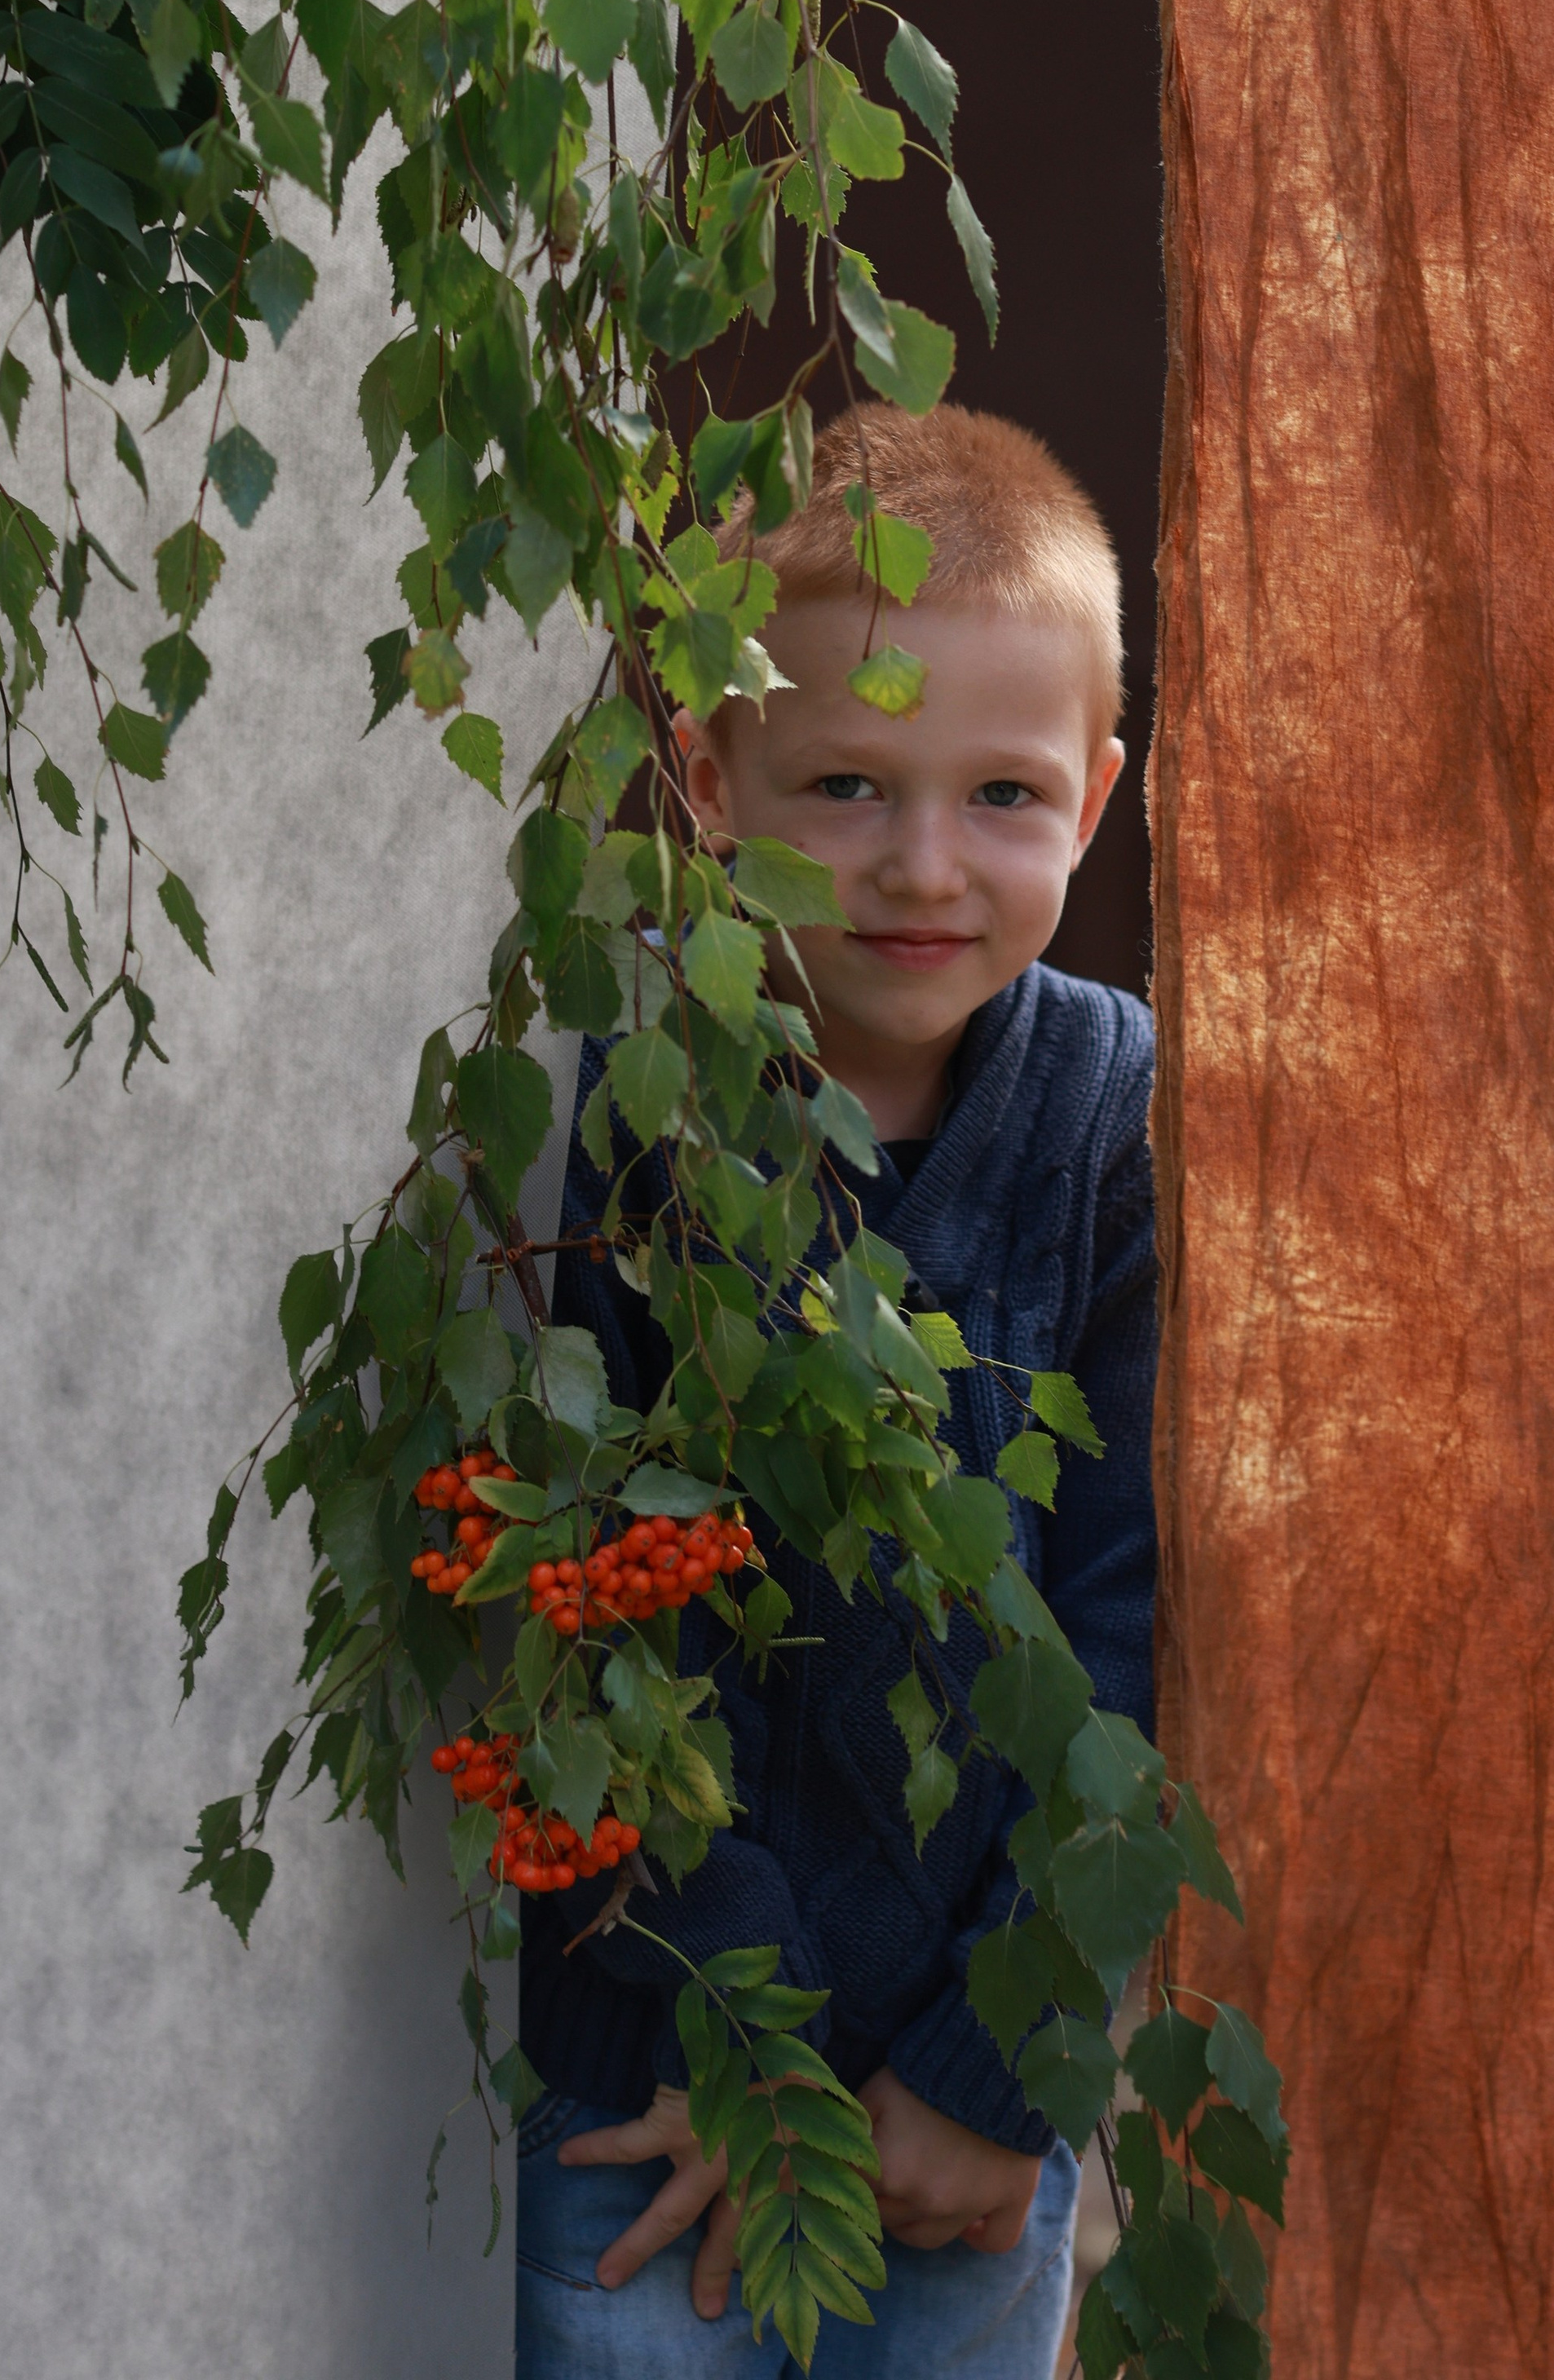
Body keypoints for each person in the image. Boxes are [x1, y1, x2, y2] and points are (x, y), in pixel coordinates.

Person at [515, 401, 1156, 2376]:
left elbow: (1143, 1625)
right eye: (847, 786)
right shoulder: (641, 1111)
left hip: (975, 2138)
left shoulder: (1111, 1124)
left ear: (1099, 795)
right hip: (667, 2109)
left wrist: (999, 2063)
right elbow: (590, 1617)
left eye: (1001, 798)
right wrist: (749, 2050)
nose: (921, 868)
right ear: (711, 773)